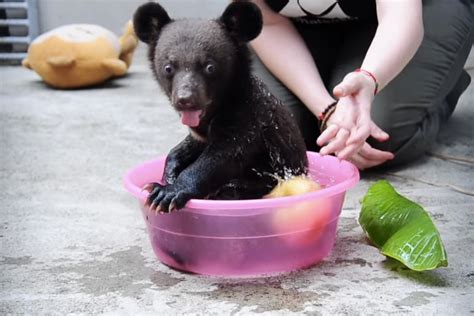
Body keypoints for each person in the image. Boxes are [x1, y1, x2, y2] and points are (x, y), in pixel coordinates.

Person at [248, 0, 473, 170]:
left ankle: (441, 82)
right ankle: (335, 69)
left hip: (415, 11)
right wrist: (327, 111)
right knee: (274, 131)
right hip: (299, 22)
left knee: (376, 134)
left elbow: (399, 16)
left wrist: (369, 79)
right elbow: (267, 22)